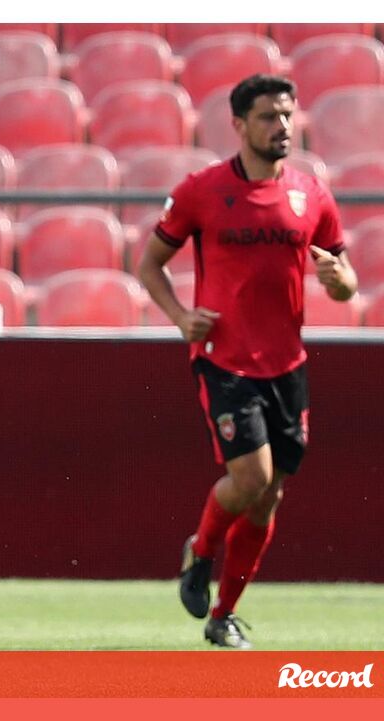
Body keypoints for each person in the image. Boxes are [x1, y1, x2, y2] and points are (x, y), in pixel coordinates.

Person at [137, 74, 358, 649]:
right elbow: (149, 264)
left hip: (287, 364)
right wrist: (180, 317)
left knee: (269, 496)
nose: (281, 126)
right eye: (268, 116)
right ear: (238, 125)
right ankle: (201, 549)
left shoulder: (312, 194)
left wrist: (339, 280)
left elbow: (344, 281)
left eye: (287, 114)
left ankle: (223, 614)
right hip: (226, 360)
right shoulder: (201, 191)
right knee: (252, 478)